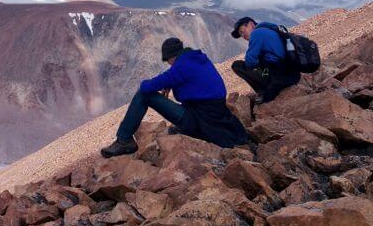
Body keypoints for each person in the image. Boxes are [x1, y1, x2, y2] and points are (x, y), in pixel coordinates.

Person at [100, 37, 248, 158]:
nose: (169, 65)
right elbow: (193, 83)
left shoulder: (181, 67)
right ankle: (125, 139)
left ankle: (124, 139)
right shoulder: (197, 58)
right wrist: (173, 83)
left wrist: (170, 81)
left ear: (171, 57)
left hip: (200, 120)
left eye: (167, 61)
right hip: (216, 114)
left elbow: (147, 86)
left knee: (143, 94)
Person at [231, 17, 301, 104]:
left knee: (237, 65)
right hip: (292, 73)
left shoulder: (257, 33)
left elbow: (250, 60)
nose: (243, 36)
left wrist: (258, 62)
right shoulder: (269, 29)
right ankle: (270, 87)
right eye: (241, 35)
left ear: (251, 24)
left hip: (281, 75)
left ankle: (263, 90)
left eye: (242, 31)